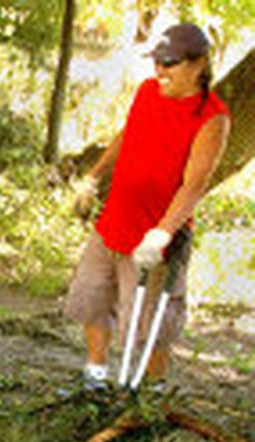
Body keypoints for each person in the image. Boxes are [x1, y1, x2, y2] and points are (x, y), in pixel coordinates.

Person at [65, 23, 230, 390]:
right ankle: (95, 377)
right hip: (114, 220)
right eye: (157, 61)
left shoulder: (212, 118)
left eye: (169, 63)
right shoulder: (147, 91)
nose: (159, 70)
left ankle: (151, 393)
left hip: (155, 235)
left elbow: (195, 185)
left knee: (150, 324)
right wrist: (93, 175)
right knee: (93, 297)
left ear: (198, 64)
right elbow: (127, 135)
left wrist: (162, 234)